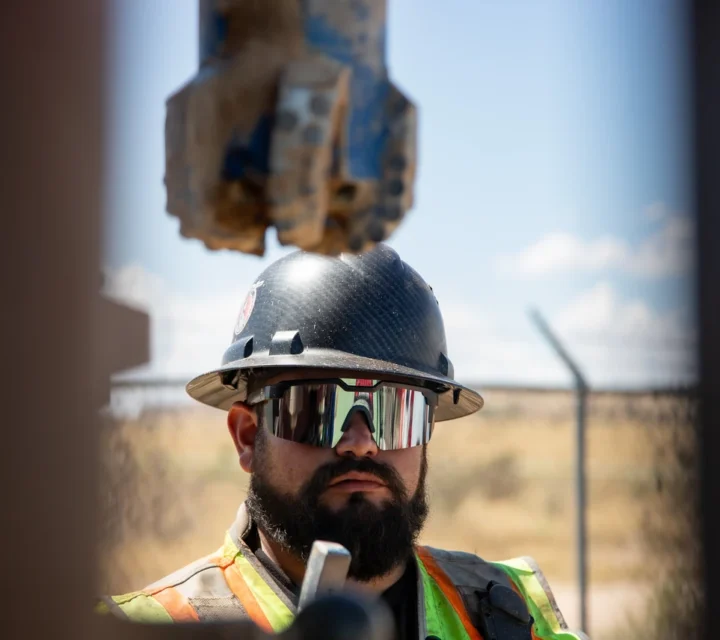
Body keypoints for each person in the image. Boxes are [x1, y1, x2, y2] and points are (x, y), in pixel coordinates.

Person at [98, 245, 588, 640]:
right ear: (248, 436)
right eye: (316, 409)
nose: (361, 444)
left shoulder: (507, 614)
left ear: (426, 434)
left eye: (395, 414)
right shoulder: (152, 629)